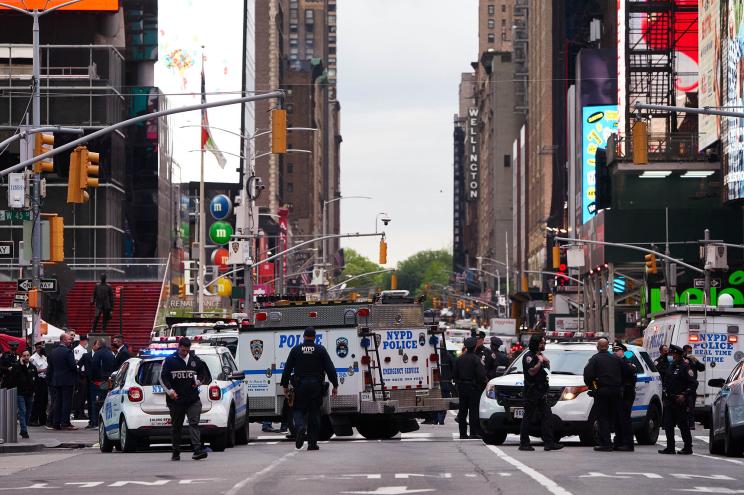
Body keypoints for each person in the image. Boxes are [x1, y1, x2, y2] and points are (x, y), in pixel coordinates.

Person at [280, 327, 338, 451]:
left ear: (304, 336)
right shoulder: (320, 350)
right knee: (314, 413)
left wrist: (285, 385)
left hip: (300, 386)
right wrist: (335, 384)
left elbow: (287, 369)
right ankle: (312, 444)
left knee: (297, 409)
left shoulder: (296, 350)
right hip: (316, 386)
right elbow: (330, 368)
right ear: (315, 337)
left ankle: (300, 426)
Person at [159, 337, 210, 461]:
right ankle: (176, 452)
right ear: (179, 347)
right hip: (176, 400)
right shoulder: (170, 360)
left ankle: (197, 450)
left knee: (194, 424)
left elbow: (205, 375)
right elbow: (162, 378)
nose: (185, 353)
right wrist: (170, 391)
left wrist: (199, 381)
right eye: (183, 350)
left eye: (187, 350)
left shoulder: (195, 360)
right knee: (177, 426)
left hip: (193, 399)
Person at [519, 334, 563, 451]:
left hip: (541, 391)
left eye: (544, 342)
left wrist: (545, 361)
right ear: (536, 344)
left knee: (547, 416)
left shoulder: (539, 355)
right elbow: (531, 372)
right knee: (528, 417)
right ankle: (524, 443)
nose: (544, 345)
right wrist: (539, 362)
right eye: (542, 343)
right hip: (532, 392)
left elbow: (547, 367)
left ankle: (549, 443)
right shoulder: (528, 356)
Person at [583, 338, 623, 452]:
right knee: (615, 417)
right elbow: (625, 371)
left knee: (603, 417)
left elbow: (588, 375)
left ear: (598, 347)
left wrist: (593, 388)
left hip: (602, 392)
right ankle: (618, 441)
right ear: (608, 347)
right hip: (616, 392)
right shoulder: (616, 358)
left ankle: (606, 443)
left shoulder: (594, 359)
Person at [658, 345, 696, 455]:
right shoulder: (672, 366)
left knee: (683, 425)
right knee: (668, 424)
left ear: (678, 355)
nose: (672, 356)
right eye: (671, 354)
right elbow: (666, 381)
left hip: (680, 401)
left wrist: (684, 395)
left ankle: (688, 447)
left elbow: (693, 383)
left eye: (673, 354)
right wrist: (665, 397)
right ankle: (670, 447)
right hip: (670, 400)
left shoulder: (685, 367)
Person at [453, 337, 487, 439]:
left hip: (462, 387)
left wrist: (459, 384)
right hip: (473, 387)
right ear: (474, 347)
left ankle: (462, 433)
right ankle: (473, 432)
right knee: (473, 410)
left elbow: (454, 375)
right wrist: (479, 384)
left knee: (462, 411)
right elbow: (481, 375)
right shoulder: (476, 359)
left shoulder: (459, 359)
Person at [46, 333, 77, 430]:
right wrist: (77, 368)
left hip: (56, 381)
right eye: (69, 340)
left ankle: (56, 423)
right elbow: (73, 366)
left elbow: (50, 367)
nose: (70, 341)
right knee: (66, 402)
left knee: (57, 402)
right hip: (67, 381)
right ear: (63, 340)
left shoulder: (53, 352)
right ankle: (65, 423)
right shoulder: (68, 352)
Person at [612, 342, 637, 452]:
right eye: (614, 350)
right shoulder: (616, 362)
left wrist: (621, 360)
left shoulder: (627, 363)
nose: (615, 352)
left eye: (617, 350)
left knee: (625, 419)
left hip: (626, 393)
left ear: (622, 351)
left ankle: (628, 443)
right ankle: (618, 442)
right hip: (619, 393)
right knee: (618, 418)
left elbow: (630, 374)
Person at [8, 350, 37, 439]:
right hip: (20, 393)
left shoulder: (32, 367)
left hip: (29, 393)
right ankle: (24, 431)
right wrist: (21, 365)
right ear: (22, 357)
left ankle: (23, 429)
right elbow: (13, 378)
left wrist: (34, 391)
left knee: (28, 412)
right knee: (22, 411)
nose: (26, 357)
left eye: (28, 355)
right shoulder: (17, 366)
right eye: (24, 355)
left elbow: (35, 380)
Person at [88, 339, 116, 427]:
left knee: (95, 402)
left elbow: (94, 367)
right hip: (109, 381)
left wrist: (91, 378)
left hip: (98, 381)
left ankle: (95, 422)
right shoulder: (111, 354)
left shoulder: (97, 354)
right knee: (105, 402)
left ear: (99, 345)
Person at [682, 344, 705, 430]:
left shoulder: (693, 360)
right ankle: (684, 423)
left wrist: (696, 360)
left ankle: (691, 424)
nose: (689, 353)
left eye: (690, 351)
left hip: (692, 387)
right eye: (688, 351)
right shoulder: (682, 360)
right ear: (684, 352)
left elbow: (702, 368)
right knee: (683, 407)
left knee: (691, 406)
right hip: (683, 386)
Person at [29, 342, 48, 426]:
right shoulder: (33, 358)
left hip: (44, 380)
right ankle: (33, 419)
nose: (41, 349)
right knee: (37, 401)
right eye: (39, 347)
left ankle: (43, 420)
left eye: (42, 347)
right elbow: (31, 371)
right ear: (36, 348)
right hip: (37, 381)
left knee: (44, 401)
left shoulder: (44, 357)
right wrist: (43, 370)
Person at [435, 342, 455, 425]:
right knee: (445, 401)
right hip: (446, 382)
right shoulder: (449, 356)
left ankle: (436, 418)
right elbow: (454, 368)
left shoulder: (435, 355)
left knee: (436, 401)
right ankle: (441, 419)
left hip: (436, 383)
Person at [73, 336, 89, 420]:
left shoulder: (84, 350)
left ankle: (81, 412)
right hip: (80, 374)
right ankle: (78, 413)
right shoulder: (78, 349)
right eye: (86, 341)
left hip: (84, 373)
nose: (87, 343)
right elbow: (76, 362)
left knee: (83, 395)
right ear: (83, 341)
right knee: (80, 395)